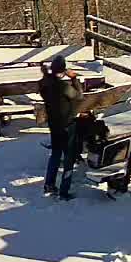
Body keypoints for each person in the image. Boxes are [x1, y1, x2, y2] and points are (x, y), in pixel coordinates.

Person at [37, 56, 83, 199]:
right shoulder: (64, 87)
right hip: (67, 125)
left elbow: (46, 83)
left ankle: (49, 184)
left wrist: (46, 74)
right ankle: (64, 191)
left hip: (54, 124)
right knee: (68, 158)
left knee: (55, 154)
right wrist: (74, 79)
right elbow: (79, 96)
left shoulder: (45, 85)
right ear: (63, 71)